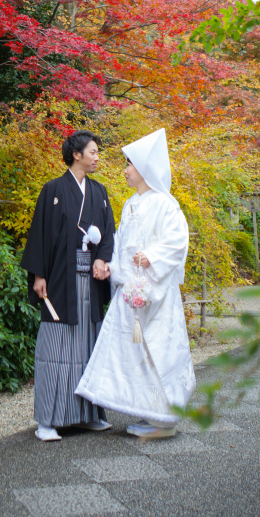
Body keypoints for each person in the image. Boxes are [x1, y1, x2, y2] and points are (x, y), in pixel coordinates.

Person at [76, 127, 195, 438]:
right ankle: (149, 412)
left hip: (156, 295)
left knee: (157, 351)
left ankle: (165, 418)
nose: (125, 170)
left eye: (129, 164)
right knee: (134, 353)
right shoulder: (130, 204)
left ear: (143, 169)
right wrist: (111, 268)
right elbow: (121, 245)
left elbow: (177, 242)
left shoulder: (166, 204)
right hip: (131, 292)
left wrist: (151, 257)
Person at [20, 130, 116, 441]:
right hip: (61, 279)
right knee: (56, 347)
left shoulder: (100, 193)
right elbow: (41, 235)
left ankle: (88, 414)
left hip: (90, 281)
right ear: (76, 154)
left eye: (97, 152)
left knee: (88, 345)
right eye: (93, 151)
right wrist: (38, 275)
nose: (97, 157)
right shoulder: (53, 190)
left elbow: (109, 235)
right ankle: (48, 420)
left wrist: (103, 260)